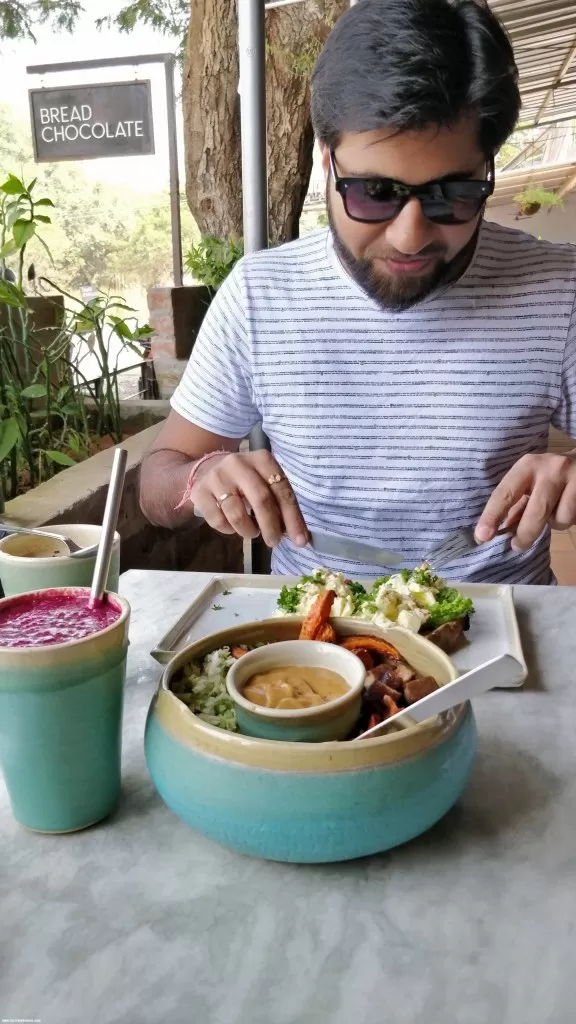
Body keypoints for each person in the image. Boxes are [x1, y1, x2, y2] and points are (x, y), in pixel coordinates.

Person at [140, 0, 576, 585]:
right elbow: (156, 483)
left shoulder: (558, 289)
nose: (410, 234)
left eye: (454, 193)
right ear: (326, 162)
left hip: (505, 639)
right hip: (315, 645)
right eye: (374, 192)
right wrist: (201, 480)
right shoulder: (261, 296)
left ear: (488, 168)